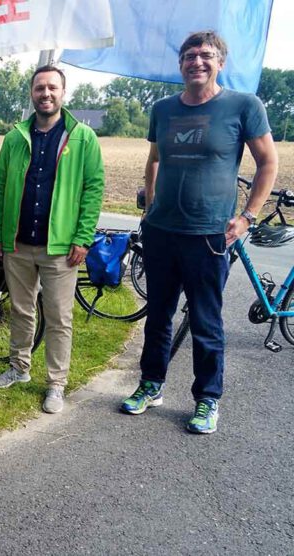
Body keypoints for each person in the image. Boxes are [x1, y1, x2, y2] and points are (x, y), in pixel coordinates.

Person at [120, 31, 278, 433]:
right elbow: (153, 160)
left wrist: (246, 218)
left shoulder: (243, 106)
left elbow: (267, 164)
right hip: (161, 232)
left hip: (209, 235)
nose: (197, 62)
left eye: (206, 56)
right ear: (181, 65)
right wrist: (150, 207)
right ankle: (150, 385)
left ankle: (207, 399)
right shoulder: (163, 109)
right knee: (158, 316)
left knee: (206, 321)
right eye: (189, 56)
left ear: (220, 62)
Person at [0, 65, 105, 414]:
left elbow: (93, 189)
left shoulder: (82, 137)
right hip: (18, 243)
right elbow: (0, 185)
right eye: (40, 88)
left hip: (61, 248)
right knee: (21, 310)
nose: (46, 94)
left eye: (52, 87)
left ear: (63, 93)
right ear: (32, 94)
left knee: (57, 317)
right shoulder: (15, 138)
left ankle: (56, 384)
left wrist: (82, 237)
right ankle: (18, 368)